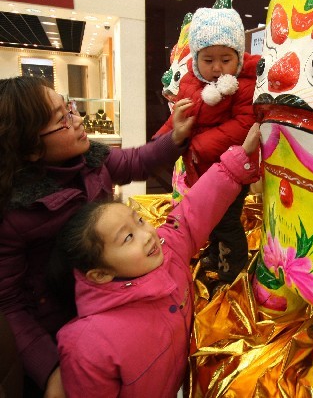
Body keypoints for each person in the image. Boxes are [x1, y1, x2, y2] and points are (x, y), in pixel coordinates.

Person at [0, 76, 194, 398]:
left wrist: (175, 138)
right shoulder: (13, 212)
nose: (78, 120)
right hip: (56, 333)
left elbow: (135, 162)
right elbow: (9, 303)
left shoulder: (90, 162)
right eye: (62, 120)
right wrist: (49, 369)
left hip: (109, 304)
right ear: (31, 148)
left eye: (70, 108)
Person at [51, 124, 261, 398]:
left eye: (139, 221)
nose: (148, 234)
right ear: (100, 274)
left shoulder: (168, 250)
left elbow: (194, 211)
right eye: (127, 238)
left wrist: (237, 160)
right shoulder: (88, 345)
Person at [154, 2, 260, 284]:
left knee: (226, 221)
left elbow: (245, 124)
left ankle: (232, 270)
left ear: (238, 56)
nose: (216, 68)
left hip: (232, 170)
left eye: (225, 59)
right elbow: (181, 114)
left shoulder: (244, 84)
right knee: (208, 216)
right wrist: (162, 139)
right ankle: (215, 253)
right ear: (196, 57)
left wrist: (200, 145)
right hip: (200, 169)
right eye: (208, 60)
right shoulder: (191, 82)